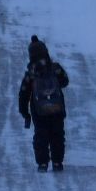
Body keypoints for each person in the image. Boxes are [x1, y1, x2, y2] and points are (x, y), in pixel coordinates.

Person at [18, 36, 70, 172]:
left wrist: (25, 112)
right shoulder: (55, 67)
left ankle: (42, 163)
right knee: (57, 135)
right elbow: (65, 81)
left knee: (41, 135)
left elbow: (23, 93)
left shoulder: (31, 73)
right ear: (45, 51)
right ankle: (57, 162)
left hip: (38, 110)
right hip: (57, 108)